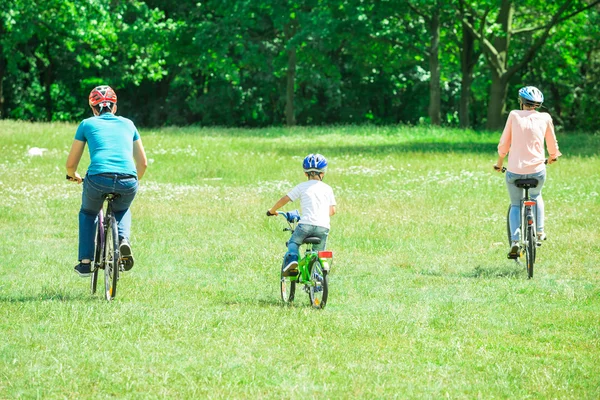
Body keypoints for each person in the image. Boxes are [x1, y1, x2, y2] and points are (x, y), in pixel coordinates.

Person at [66, 85, 148, 276]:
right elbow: (143, 163)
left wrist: (74, 175)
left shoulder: (87, 124)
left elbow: (70, 164)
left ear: (93, 109)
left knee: (88, 212)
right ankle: (123, 240)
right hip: (128, 179)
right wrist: (135, 181)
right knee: (123, 208)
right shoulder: (129, 124)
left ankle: (86, 263)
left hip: (98, 178)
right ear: (115, 107)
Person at [494, 86, 561, 258]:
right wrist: (553, 157)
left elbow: (504, 145)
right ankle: (539, 232)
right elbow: (552, 144)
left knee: (516, 204)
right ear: (538, 104)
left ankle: (515, 242)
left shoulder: (514, 115)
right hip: (537, 171)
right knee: (536, 195)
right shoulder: (545, 118)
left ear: (521, 102)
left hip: (514, 171)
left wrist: (499, 163)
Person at [267, 154, 337, 276]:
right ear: (323, 173)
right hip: (323, 227)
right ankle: (317, 278)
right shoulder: (328, 188)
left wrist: (272, 210)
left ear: (305, 173)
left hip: (305, 225)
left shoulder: (301, 186)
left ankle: (292, 261)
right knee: (318, 252)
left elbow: (286, 199)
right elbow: (332, 211)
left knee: (293, 243)